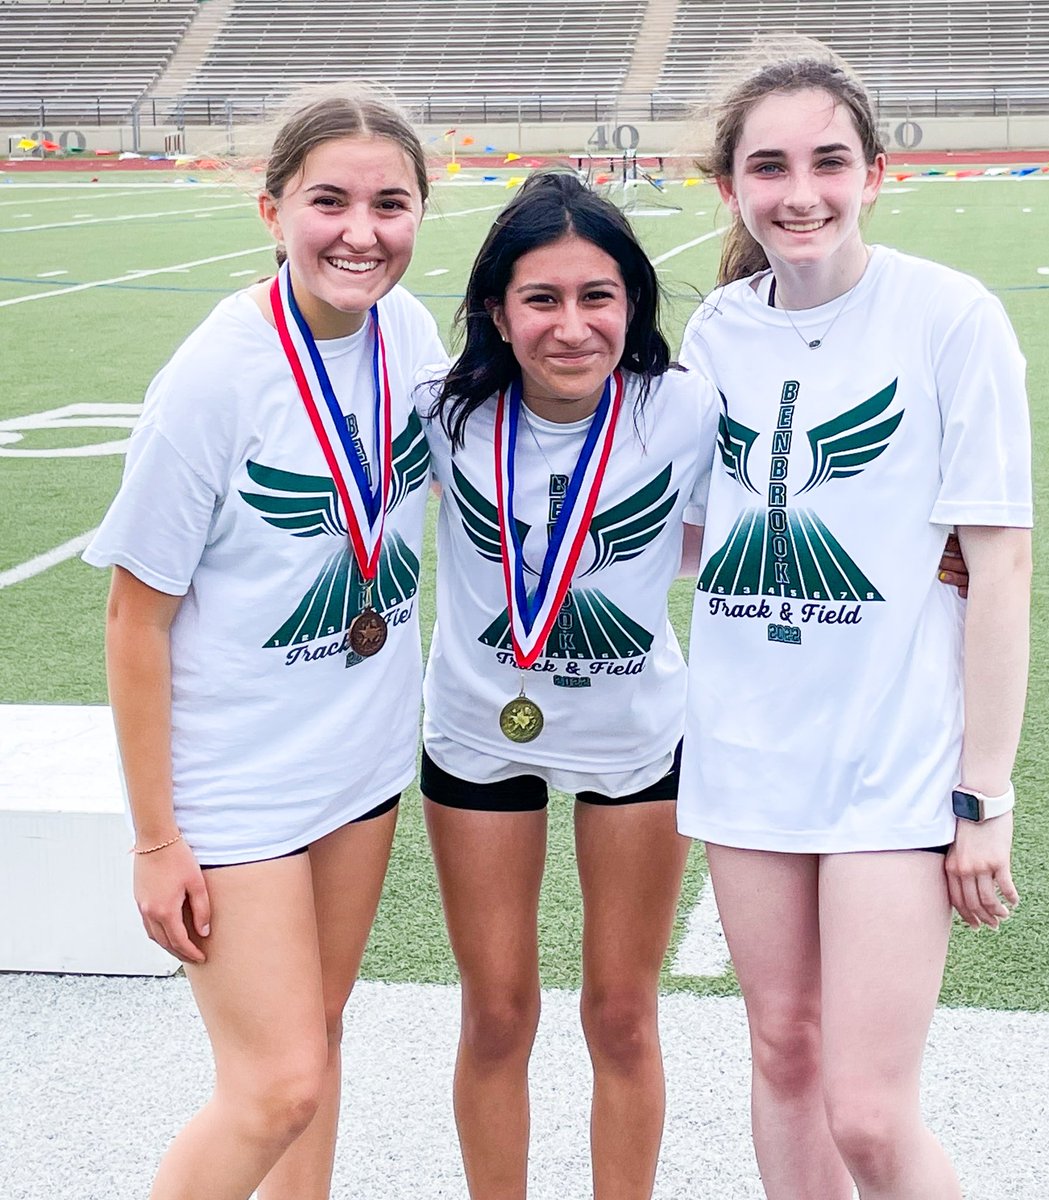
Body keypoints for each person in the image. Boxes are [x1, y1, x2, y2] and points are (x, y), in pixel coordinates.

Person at [676, 41, 1033, 1200]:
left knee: (871, 1115)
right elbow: (691, 539)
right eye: (768, 166)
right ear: (730, 184)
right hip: (748, 749)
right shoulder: (717, 331)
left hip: (892, 760)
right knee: (781, 1053)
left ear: (875, 172)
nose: (800, 193)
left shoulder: (949, 317)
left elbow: (1001, 562)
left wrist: (985, 794)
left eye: (828, 162)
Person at [83, 86, 443, 1200]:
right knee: (273, 1085)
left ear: (421, 211)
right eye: (328, 200)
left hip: (362, 757)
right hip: (236, 781)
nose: (361, 231)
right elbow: (135, 617)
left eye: (390, 203)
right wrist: (156, 841)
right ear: (272, 208)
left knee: (319, 1040)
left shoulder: (412, 332)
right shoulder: (215, 377)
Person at [417, 170, 720, 1200]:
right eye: (541, 299)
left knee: (622, 1012)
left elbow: (732, 533)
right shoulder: (443, 409)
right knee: (498, 1010)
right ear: (497, 310)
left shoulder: (680, 408)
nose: (571, 326)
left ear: (632, 303)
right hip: (475, 732)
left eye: (598, 296)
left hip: (635, 737)